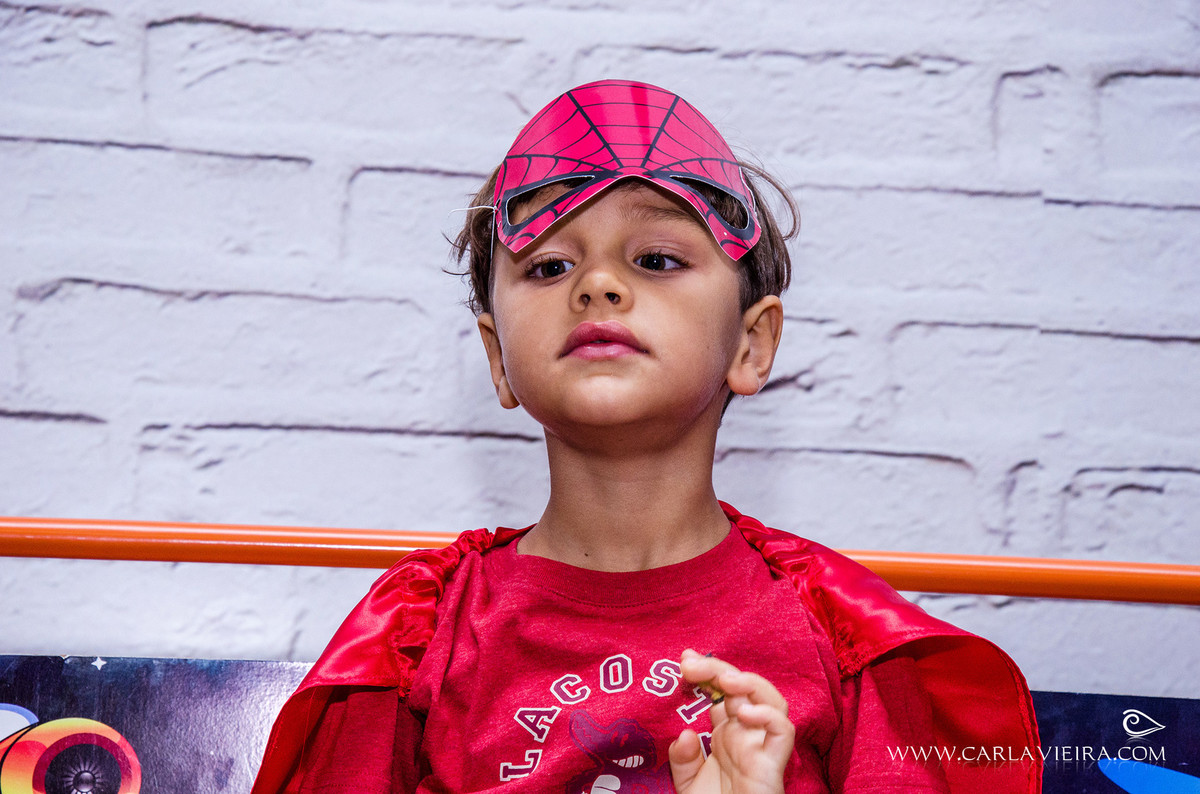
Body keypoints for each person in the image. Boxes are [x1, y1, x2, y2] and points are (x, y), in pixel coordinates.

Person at [252, 79, 1041, 794]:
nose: (598, 285)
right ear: (499, 358)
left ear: (752, 345)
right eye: (550, 267)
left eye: (657, 257)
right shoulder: (415, 633)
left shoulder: (851, 641)